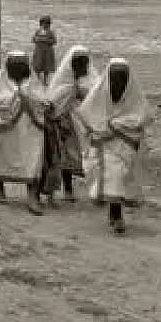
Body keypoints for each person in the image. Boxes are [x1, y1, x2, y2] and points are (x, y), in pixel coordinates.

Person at [77, 58, 153, 234]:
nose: (118, 82)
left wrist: (119, 125)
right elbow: (87, 113)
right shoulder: (99, 93)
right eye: (115, 77)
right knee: (114, 176)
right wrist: (102, 129)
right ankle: (117, 215)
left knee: (120, 177)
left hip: (126, 144)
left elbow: (143, 116)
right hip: (105, 144)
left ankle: (115, 213)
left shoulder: (134, 95)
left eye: (122, 77)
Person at [0, 51, 47, 215]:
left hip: (29, 127)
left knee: (32, 158)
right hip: (6, 127)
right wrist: (15, 99)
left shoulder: (32, 82)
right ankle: (0, 188)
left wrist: (28, 99)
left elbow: (42, 101)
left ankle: (32, 196)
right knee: (1, 154)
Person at [41, 45, 91, 204]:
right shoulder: (64, 83)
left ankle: (70, 191)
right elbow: (53, 103)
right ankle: (58, 192)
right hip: (61, 124)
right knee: (59, 158)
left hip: (76, 123)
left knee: (71, 158)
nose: (83, 68)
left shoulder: (84, 81)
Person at [31, 15, 57, 81]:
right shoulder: (38, 31)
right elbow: (33, 39)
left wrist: (46, 40)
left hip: (47, 52)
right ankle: (40, 78)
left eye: (47, 24)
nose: (46, 25)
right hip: (39, 52)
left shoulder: (51, 32)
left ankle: (45, 79)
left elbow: (54, 41)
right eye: (44, 23)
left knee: (46, 67)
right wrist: (37, 39)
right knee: (37, 66)